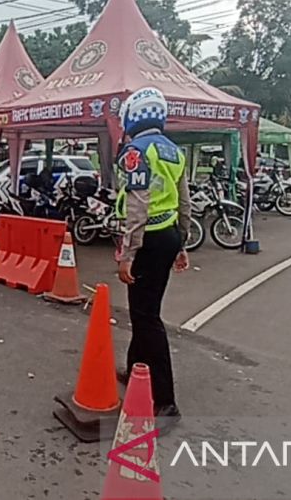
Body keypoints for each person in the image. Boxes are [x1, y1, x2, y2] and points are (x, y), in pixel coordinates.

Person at [114, 87, 191, 424]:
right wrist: (182, 242)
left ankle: (166, 400)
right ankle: (134, 369)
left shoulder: (135, 151)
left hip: (147, 238)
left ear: (132, 117)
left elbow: (138, 203)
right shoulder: (174, 151)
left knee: (147, 317)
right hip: (168, 235)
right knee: (143, 310)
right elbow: (184, 200)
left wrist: (128, 253)